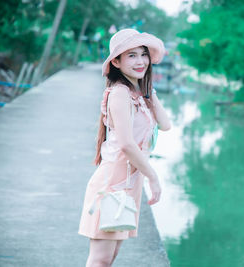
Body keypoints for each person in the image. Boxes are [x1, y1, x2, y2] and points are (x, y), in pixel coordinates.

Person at [78, 29, 171, 266]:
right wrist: (154, 177)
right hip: (112, 184)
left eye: (143, 55)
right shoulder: (119, 94)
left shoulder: (137, 94)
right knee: (100, 260)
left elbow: (166, 124)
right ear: (116, 62)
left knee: (110, 258)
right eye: (131, 56)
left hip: (128, 184)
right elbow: (128, 145)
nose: (140, 61)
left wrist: (148, 88)